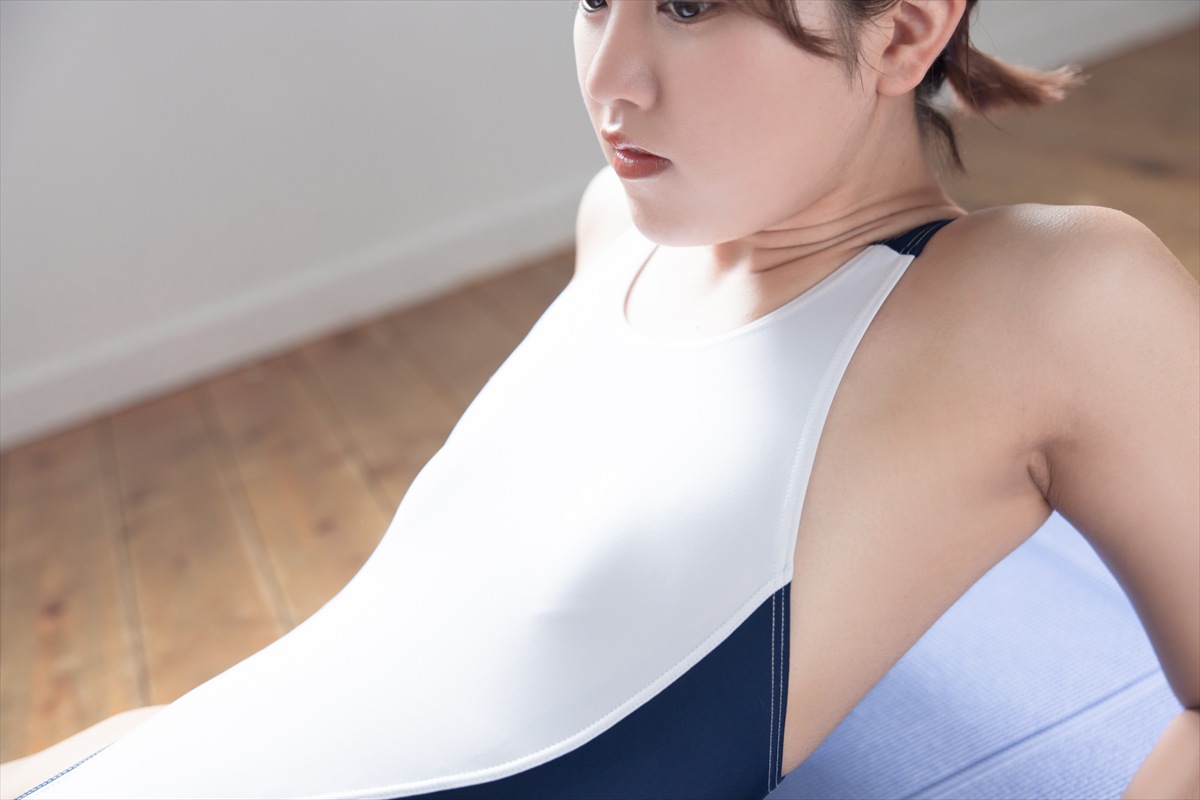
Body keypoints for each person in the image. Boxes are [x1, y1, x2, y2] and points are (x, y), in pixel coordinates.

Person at [3, 1, 1197, 798]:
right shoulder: (616, 232)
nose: (609, 78)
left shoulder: (1049, 296)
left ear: (905, 31)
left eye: (687, 3)